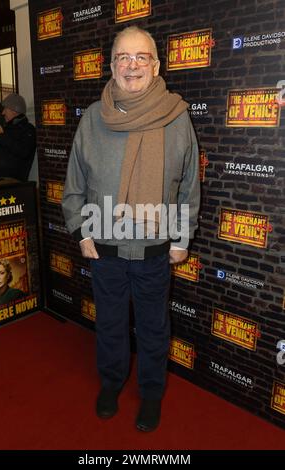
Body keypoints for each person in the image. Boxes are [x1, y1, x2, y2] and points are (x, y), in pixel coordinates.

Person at [62, 26, 200, 432]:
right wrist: (82, 233)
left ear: (156, 66)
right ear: (111, 66)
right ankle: (110, 383)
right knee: (109, 323)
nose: (132, 65)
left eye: (141, 57)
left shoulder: (177, 117)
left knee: (155, 326)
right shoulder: (92, 118)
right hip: (104, 248)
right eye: (123, 57)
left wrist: (181, 237)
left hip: (155, 251)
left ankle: (152, 392)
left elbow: (189, 185)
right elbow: (74, 184)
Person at [0, 93, 36, 185]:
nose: (3, 112)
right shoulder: (6, 127)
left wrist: (0, 136)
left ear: (14, 111)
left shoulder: (28, 129)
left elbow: (23, 151)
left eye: (6, 109)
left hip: (12, 182)